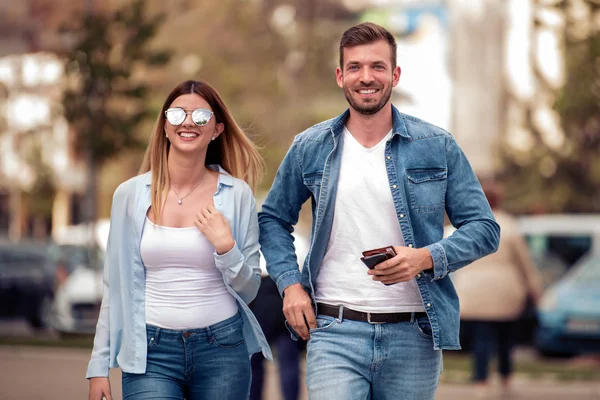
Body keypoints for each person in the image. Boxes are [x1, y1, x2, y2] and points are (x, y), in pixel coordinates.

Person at [258, 22, 501, 400]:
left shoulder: (436, 145)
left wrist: (426, 257)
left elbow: (485, 229)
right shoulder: (310, 146)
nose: (366, 77)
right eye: (354, 67)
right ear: (340, 76)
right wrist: (290, 286)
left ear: (395, 74)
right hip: (334, 330)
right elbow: (273, 218)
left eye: (377, 66)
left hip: (414, 336)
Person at [86, 80, 272, 400]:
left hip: (222, 351)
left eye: (200, 116)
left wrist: (226, 248)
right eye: (177, 115)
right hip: (150, 353)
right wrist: (98, 366)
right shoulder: (129, 196)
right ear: (165, 126)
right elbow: (113, 286)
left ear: (216, 129)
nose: (188, 122)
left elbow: (250, 288)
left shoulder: (237, 195)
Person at [452, 180, 543, 397]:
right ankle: (506, 378)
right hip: (506, 291)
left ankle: (481, 382)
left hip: (473, 291)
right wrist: (535, 290)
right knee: (506, 338)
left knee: (481, 338)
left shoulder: (467, 224)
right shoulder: (509, 226)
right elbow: (525, 263)